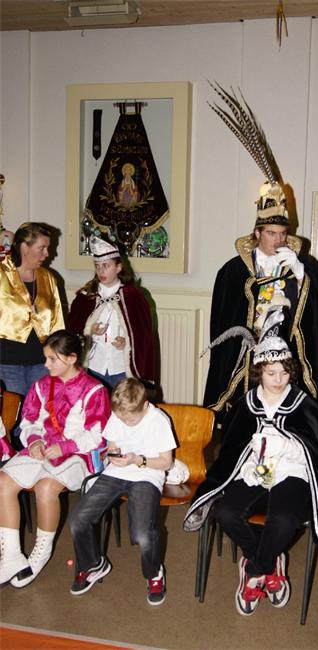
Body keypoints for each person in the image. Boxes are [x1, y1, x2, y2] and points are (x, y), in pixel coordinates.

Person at [184, 318, 318, 616]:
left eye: (284, 372)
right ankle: (270, 562)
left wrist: (285, 446)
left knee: (283, 520)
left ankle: (254, 570)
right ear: (259, 372)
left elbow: (316, 453)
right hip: (254, 473)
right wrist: (250, 455)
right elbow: (231, 449)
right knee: (226, 512)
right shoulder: (246, 404)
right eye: (271, 373)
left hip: (292, 473)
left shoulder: (303, 405)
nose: (279, 379)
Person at [203, 181, 318, 418]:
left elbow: (316, 313)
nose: (279, 240)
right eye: (271, 233)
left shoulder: (303, 266)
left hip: (284, 352)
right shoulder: (233, 271)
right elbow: (222, 321)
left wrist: (300, 274)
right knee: (244, 416)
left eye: (282, 234)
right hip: (247, 355)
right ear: (257, 233)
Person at [0, 329, 110, 588]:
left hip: (78, 456)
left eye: (52, 359)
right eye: (46, 358)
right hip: (43, 450)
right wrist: (34, 440)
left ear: (72, 358)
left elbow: (98, 435)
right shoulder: (41, 386)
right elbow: (29, 421)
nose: (46, 364)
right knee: (3, 481)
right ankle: (12, 556)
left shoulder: (94, 390)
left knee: (46, 487)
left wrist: (65, 447)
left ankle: (41, 551)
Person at [69, 377, 176, 605]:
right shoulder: (119, 414)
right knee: (78, 519)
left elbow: (167, 462)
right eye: (121, 417)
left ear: (145, 405)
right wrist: (113, 454)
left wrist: (138, 460)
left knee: (142, 534)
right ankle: (93, 564)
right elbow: (112, 445)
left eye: (130, 419)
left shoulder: (159, 421)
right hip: (117, 472)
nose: (125, 422)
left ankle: (154, 573)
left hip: (147, 474)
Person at [67, 235, 155, 390]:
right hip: (94, 367)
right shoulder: (86, 297)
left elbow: (142, 337)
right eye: (97, 266)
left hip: (120, 368)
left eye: (106, 265)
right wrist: (90, 331)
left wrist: (127, 342)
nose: (101, 271)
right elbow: (72, 332)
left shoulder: (133, 297)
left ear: (118, 267)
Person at [0, 222, 65, 396]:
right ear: (24, 247)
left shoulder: (48, 278)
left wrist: (59, 358)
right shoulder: (1, 274)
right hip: (6, 364)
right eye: (42, 248)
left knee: (40, 411)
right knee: (12, 412)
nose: (47, 254)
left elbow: (57, 323)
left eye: (47, 248)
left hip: (41, 363)